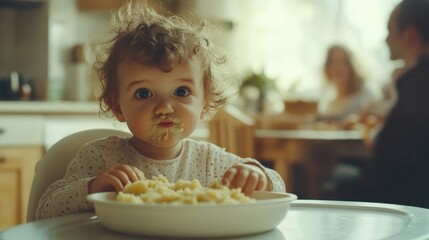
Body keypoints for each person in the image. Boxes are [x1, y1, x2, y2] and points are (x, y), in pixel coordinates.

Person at [36, 0, 285, 220]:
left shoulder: (211, 161)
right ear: (117, 106)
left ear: (205, 103)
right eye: (143, 94)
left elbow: (278, 188)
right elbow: (46, 210)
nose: (164, 107)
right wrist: (92, 188)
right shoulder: (100, 158)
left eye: (181, 92)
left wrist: (256, 174)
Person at [339, 0, 429, 208]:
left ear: (410, 35)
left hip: (410, 207)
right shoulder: (411, 83)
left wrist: (377, 136)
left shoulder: (417, 85)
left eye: (390, 31)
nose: (386, 39)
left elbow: (389, 156)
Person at [317, 44, 375, 121]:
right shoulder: (328, 101)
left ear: (351, 65)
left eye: (343, 62)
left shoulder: (365, 95)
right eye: (333, 62)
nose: (338, 67)